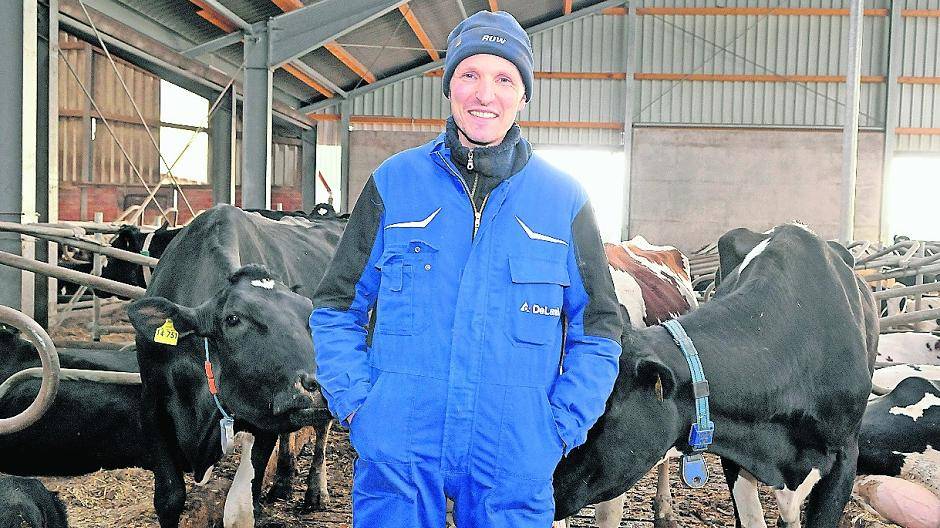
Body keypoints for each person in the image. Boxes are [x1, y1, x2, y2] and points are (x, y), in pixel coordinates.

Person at [310, 10, 622, 527]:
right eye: (469, 75)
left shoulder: (563, 201)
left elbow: (601, 331)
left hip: (512, 456)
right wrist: (361, 408)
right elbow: (337, 308)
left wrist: (559, 426)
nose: (485, 94)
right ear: (449, 86)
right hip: (401, 451)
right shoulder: (395, 183)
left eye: (504, 79)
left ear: (523, 95)